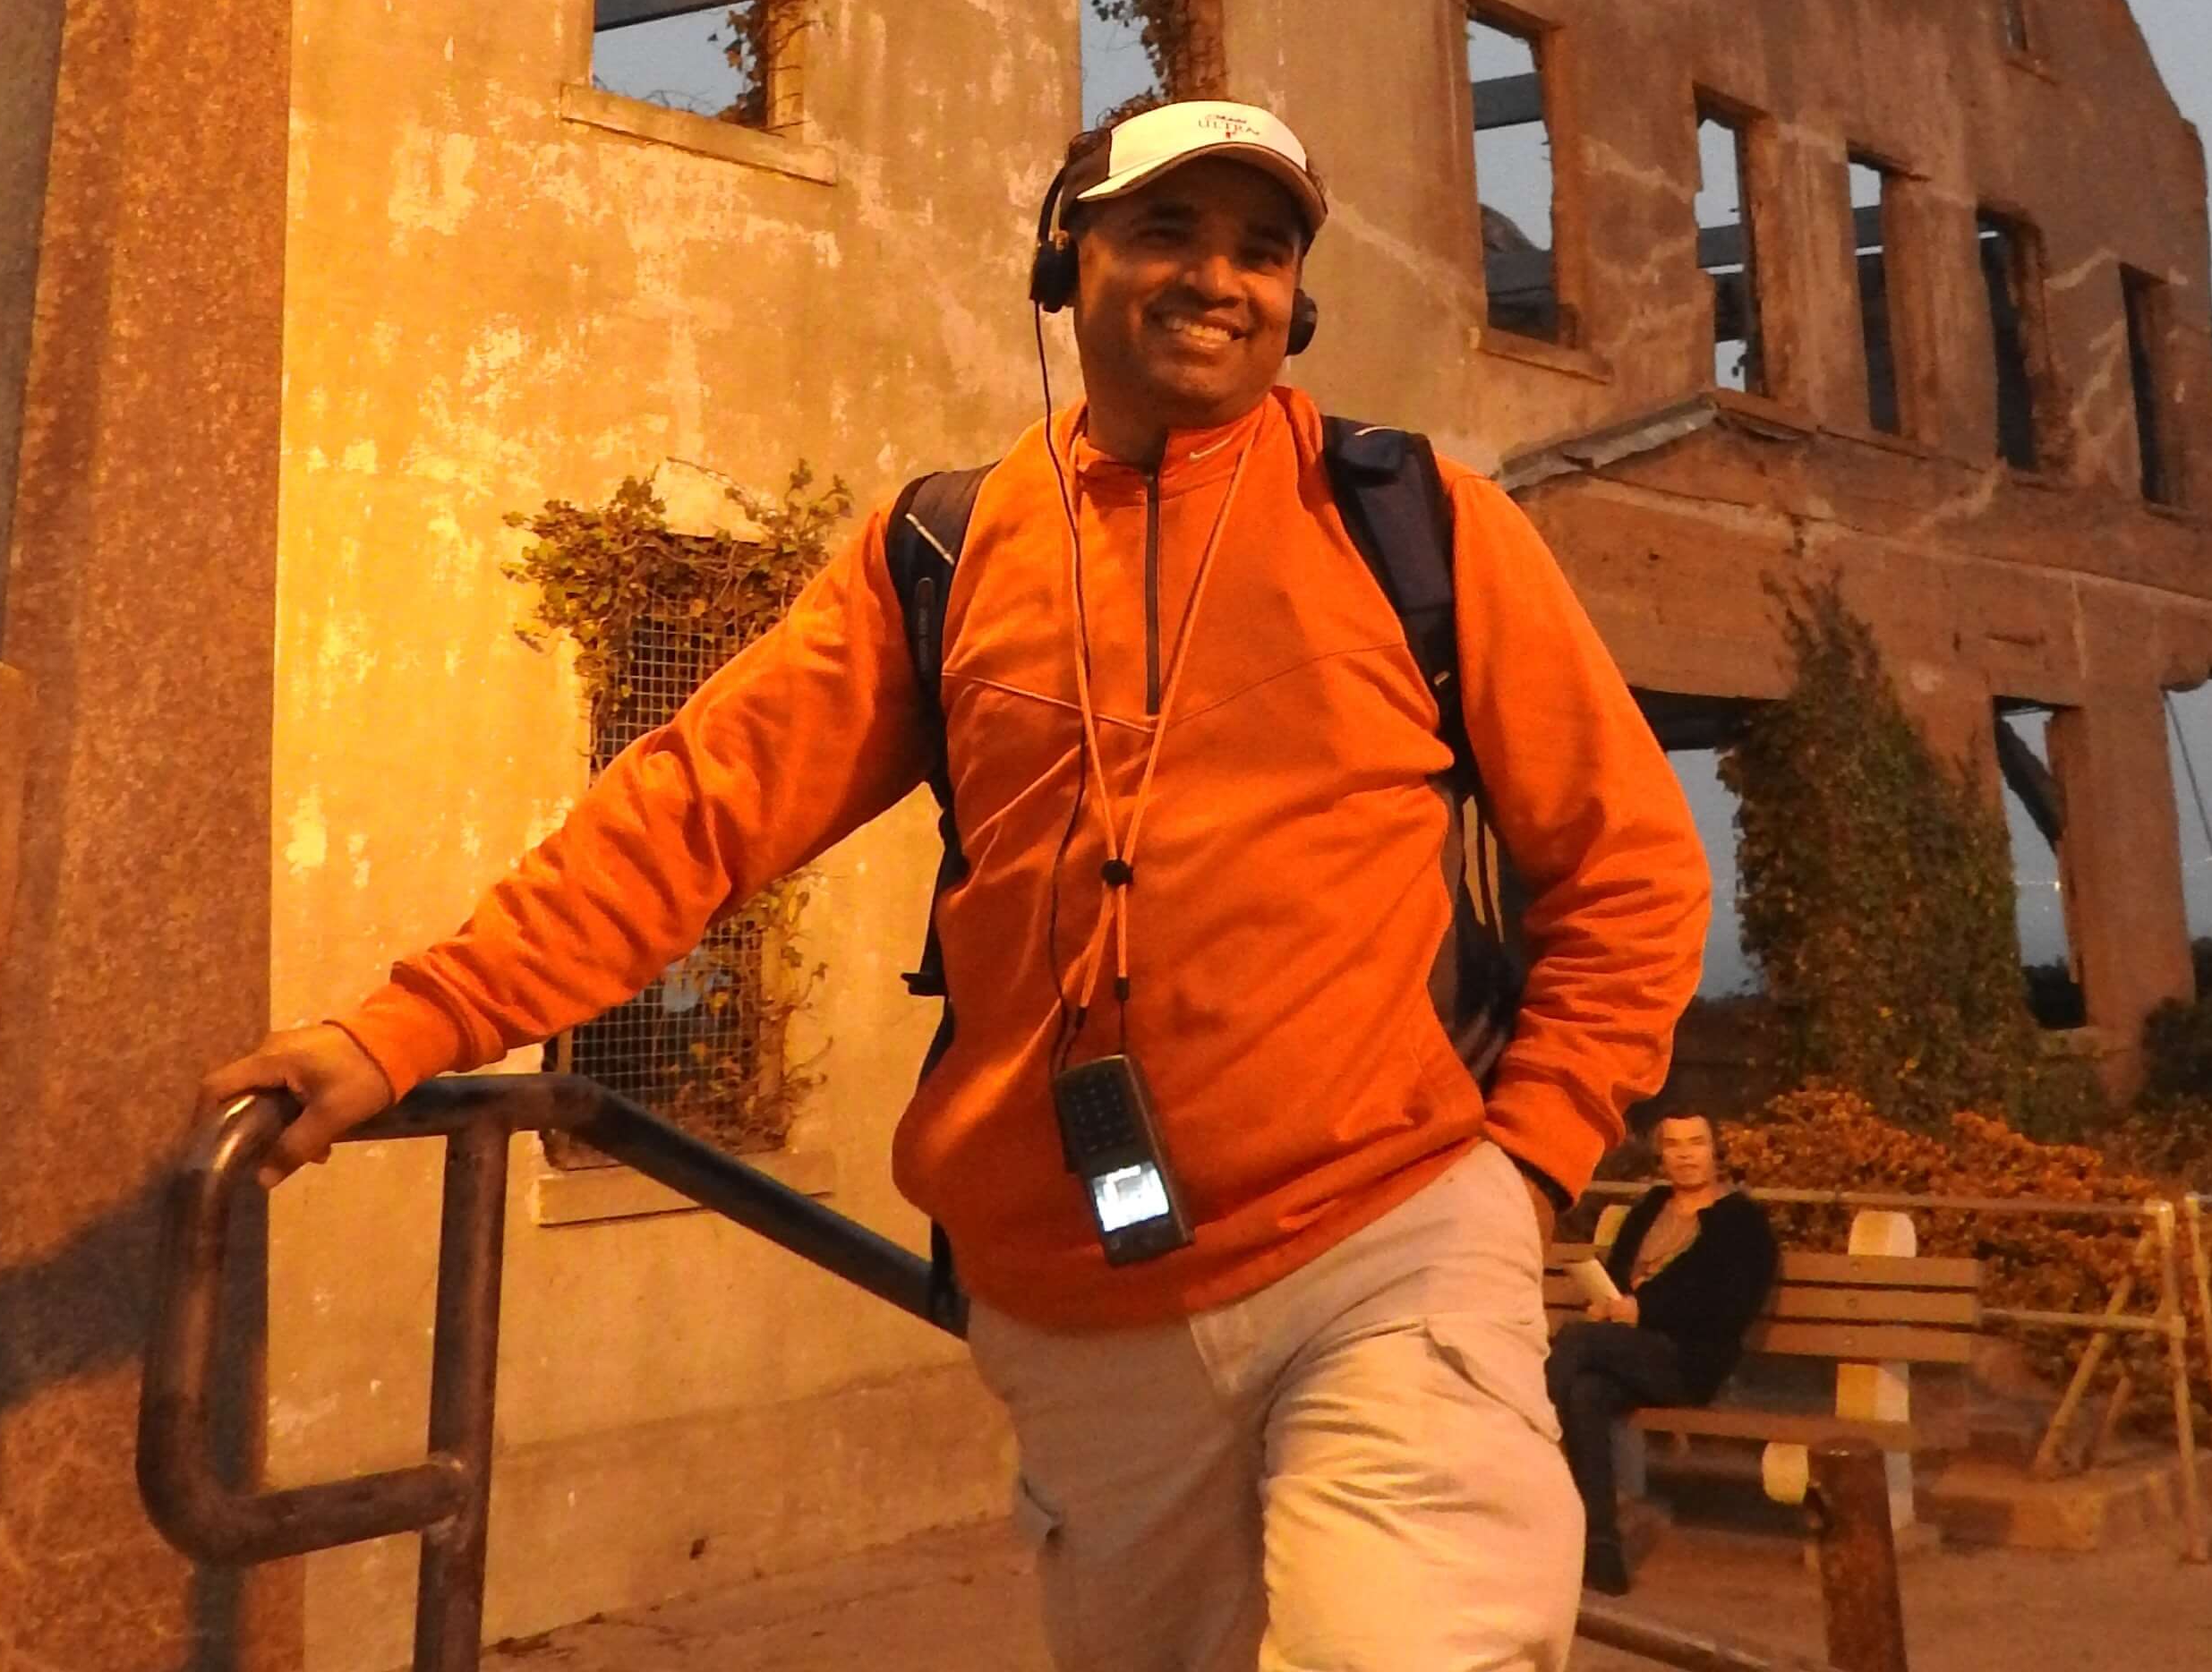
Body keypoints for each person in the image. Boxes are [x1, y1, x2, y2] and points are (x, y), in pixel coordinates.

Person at [206, 95, 1710, 1672]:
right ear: (1066, 264)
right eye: (1168, 232)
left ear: (1295, 298)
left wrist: (1524, 1161)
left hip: (1388, 1247)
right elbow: (693, 812)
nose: (1218, 279)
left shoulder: (1415, 523)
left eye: (1260, 250)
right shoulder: (942, 549)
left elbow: (1626, 868)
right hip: (1079, 1308)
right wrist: (404, 1029)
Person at [1541, 1111, 1780, 1597]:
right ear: (1661, 1155)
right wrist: (1608, 1302)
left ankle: (1524, 1452)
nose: (1686, 1155)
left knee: (1576, 1340)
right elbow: (1618, 1276)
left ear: (1715, 1152)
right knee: (1586, 1393)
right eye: (1674, 1145)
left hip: (1689, 1361)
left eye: (1696, 1142)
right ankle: (1602, 1550)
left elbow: (1729, 1307)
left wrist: (1643, 1310)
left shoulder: (1742, 1223)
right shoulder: (1650, 1208)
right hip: (1631, 1352)